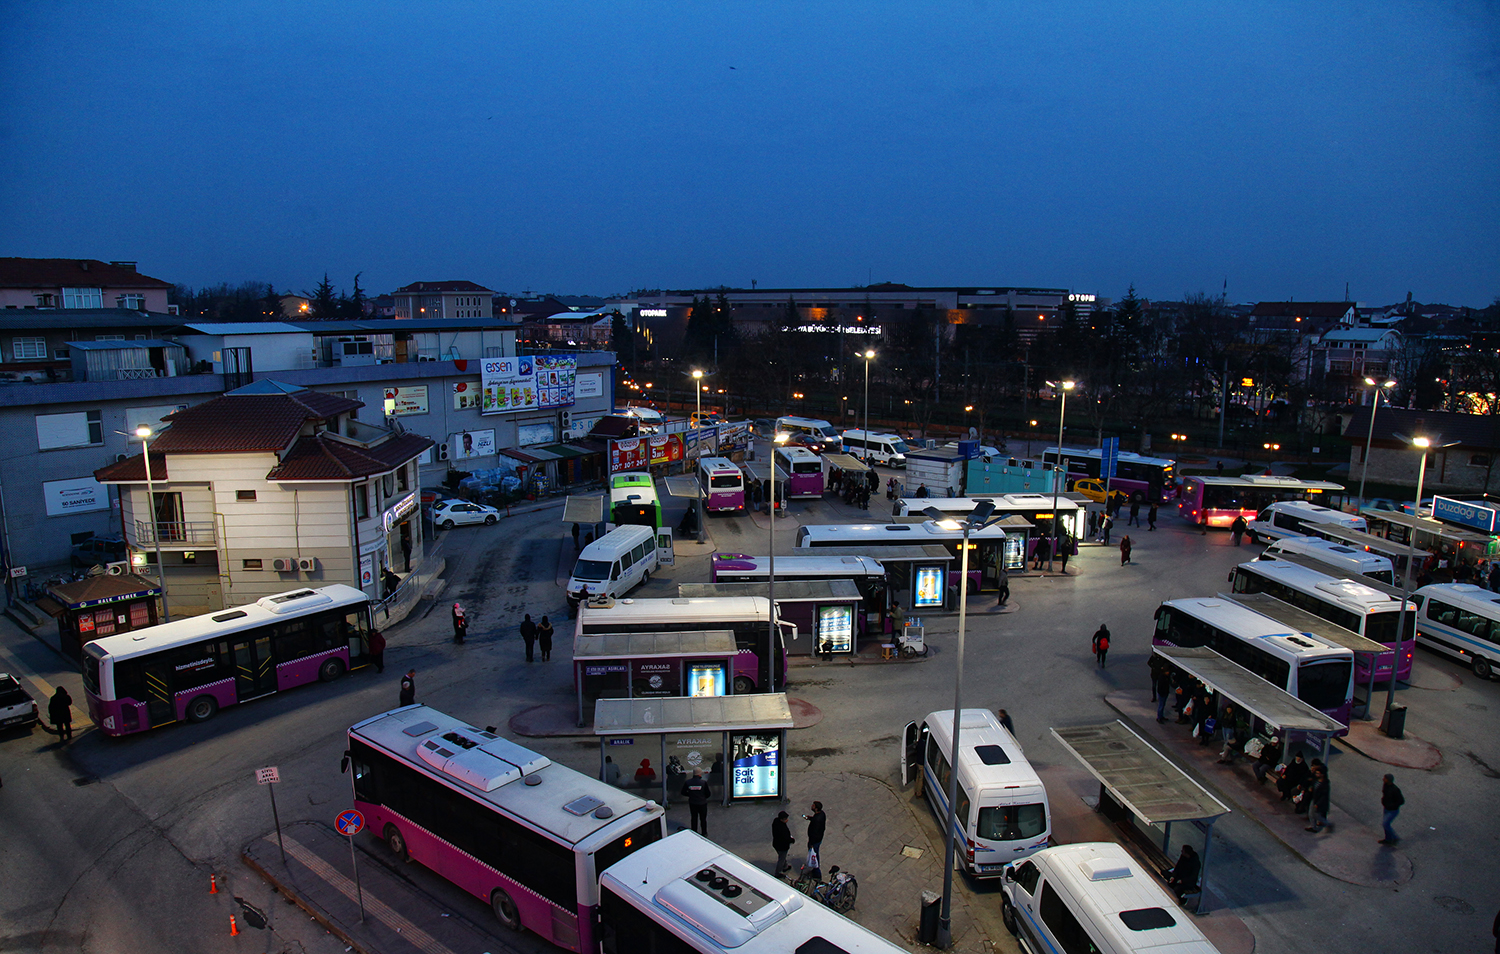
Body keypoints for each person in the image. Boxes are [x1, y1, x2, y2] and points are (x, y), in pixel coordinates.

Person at [682, 768, 712, 835]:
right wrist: (703, 797)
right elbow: (708, 794)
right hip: (702, 803)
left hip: (693, 803)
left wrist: (690, 795)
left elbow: (683, 792)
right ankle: (704, 833)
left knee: (694, 818)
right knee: (703, 819)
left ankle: (694, 832)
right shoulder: (703, 783)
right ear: (699, 774)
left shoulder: (688, 782)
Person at [1379, 773, 1404, 844]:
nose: (1383, 779)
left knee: (1385, 824)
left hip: (1393, 810)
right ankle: (1388, 839)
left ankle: (1394, 837)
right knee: (1386, 824)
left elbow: (1401, 801)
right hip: (1386, 808)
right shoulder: (1385, 786)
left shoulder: (1395, 790)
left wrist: (1392, 806)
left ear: (1388, 780)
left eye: (1385, 778)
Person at [1306, 766, 1331, 832]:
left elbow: (1324, 796)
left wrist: (1318, 804)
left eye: (1318, 773)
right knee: (1311, 814)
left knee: (1317, 815)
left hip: (1319, 802)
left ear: (1322, 775)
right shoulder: (1316, 780)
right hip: (1314, 799)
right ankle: (1313, 826)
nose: (1316, 774)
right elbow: (1313, 785)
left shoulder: (1325, 784)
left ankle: (1327, 824)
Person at [772, 810, 796, 875]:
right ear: (782, 819)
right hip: (782, 846)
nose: (787, 820)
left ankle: (785, 866)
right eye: (785, 819)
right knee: (781, 859)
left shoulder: (776, 821)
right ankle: (778, 872)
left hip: (776, 844)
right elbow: (786, 838)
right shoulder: (783, 829)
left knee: (782, 856)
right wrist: (792, 840)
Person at [805, 801, 826, 869]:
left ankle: (816, 870)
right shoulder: (822, 814)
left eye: (813, 806)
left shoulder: (816, 820)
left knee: (814, 854)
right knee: (815, 853)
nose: (811, 806)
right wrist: (810, 818)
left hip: (815, 840)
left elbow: (814, 832)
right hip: (819, 838)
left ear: (816, 809)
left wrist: (811, 842)